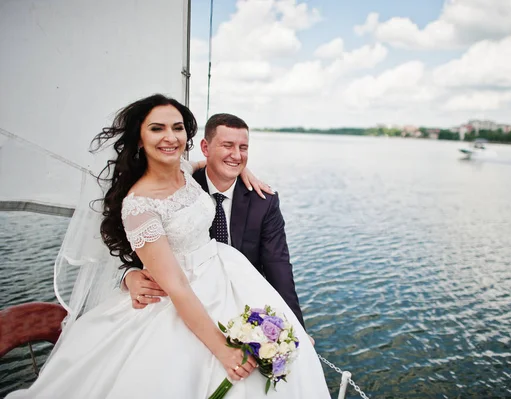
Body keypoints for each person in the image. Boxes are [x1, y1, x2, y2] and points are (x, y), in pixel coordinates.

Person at [7, 94, 330, 398]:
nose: (171, 137)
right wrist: (222, 349)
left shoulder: (184, 170)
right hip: (181, 293)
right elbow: (175, 285)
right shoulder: (139, 205)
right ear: (139, 138)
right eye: (157, 128)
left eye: (177, 128)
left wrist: (241, 164)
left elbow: (209, 165)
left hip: (227, 273)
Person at [124, 113, 306, 328]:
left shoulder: (264, 201)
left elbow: (278, 265)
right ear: (205, 147)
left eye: (243, 148)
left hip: (244, 300)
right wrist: (129, 275)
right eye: (227, 145)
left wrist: (296, 326)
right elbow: (133, 243)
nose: (237, 155)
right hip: (181, 301)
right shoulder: (178, 189)